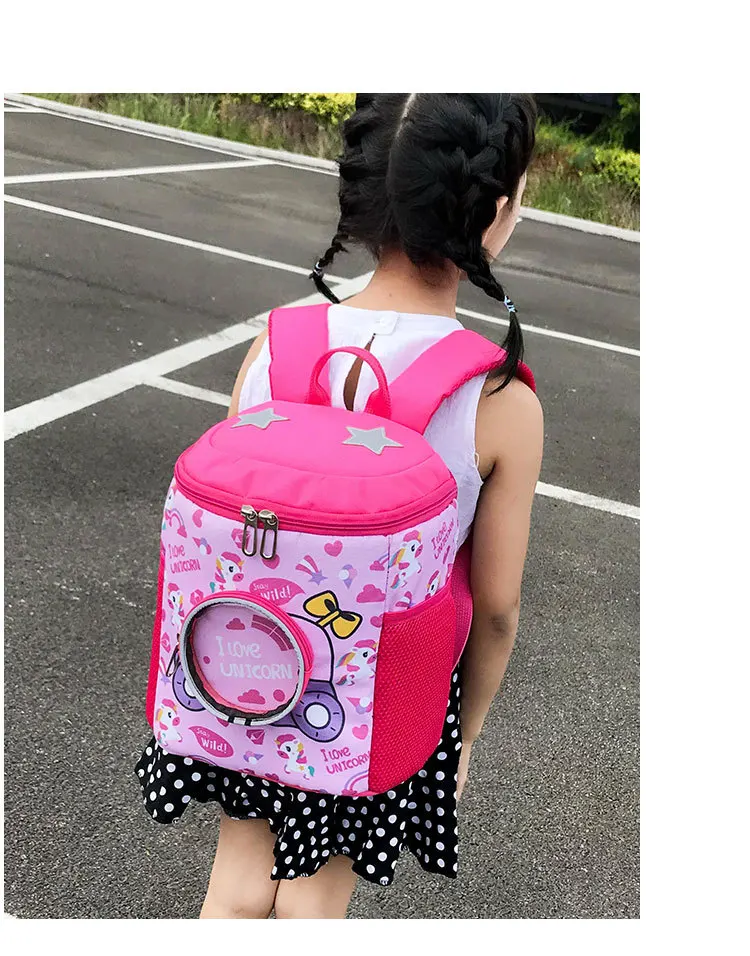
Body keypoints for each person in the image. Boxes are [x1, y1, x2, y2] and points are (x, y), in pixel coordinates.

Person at [135, 93, 543, 919]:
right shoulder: (498, 397)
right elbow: (497, 608)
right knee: (314, 906)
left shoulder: (277, 345)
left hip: (249, 665)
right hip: (382, 698)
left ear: (361, 193)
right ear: (495, 212)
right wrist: (462, 736)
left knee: (238, 884)